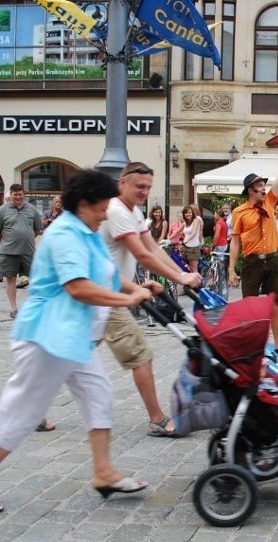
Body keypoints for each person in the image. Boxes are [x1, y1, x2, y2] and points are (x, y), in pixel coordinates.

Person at [0, 170, 154, 515]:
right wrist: (128, 300)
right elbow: (77, 286)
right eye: (101, 207)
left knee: (99, 395)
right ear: (83, 204)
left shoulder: (88, 231)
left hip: (74, 339)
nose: (105, 214)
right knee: (25, 410)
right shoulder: (65, 233)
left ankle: (103, 472)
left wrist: (138, 287)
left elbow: (106, 273)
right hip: (47, 338)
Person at [100, 162, 202, 438]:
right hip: (104, 296)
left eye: (148, 187)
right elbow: (143, 256)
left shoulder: (132, 210)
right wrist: (180, 279)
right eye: (139, 186)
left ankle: (33, 407)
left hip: (110, 291)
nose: (144, 191)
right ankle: (157, 419)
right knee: (140, 355)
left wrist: (181, 273)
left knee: (68, 357)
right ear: (122, 182)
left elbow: (153, 247)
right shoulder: (116, 211)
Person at [229, 136, 278, 357]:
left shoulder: (269, 202)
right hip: (251, 262)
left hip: (273, 259)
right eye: (259, 186)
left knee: (274, 306)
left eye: (264, 185)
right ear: (250, 190)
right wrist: (231, 268)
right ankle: (253, 346)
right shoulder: (239, 212)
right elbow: (235, 240)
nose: (264, 189)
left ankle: (277, 348)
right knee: (250, 308)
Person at [0, 184, 43, 319]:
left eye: (20, 194)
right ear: (11, 195)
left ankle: (32, 306)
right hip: (9, 251)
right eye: (15, 194)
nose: (18, 197)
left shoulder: (32, 210)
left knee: (34, 278)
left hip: (28, 251)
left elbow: (37, 230)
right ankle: (13, 308)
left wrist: (27, 238)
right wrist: (6, 240)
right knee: (11, 279)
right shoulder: (2, 211)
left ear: (23, 195)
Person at [178, 205, 203, 274]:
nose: (188, 214)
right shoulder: (185, 222)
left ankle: (197, 284)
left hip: (193, 247)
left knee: (193, 269)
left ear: (193, 213)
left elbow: (195, 233)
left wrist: (185, 241)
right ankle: (190, 282)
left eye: (190, 212)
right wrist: (168, 239)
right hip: (186, 246)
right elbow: (177, 231)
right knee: (186, 266)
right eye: (186, 213)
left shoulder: (196, 220)